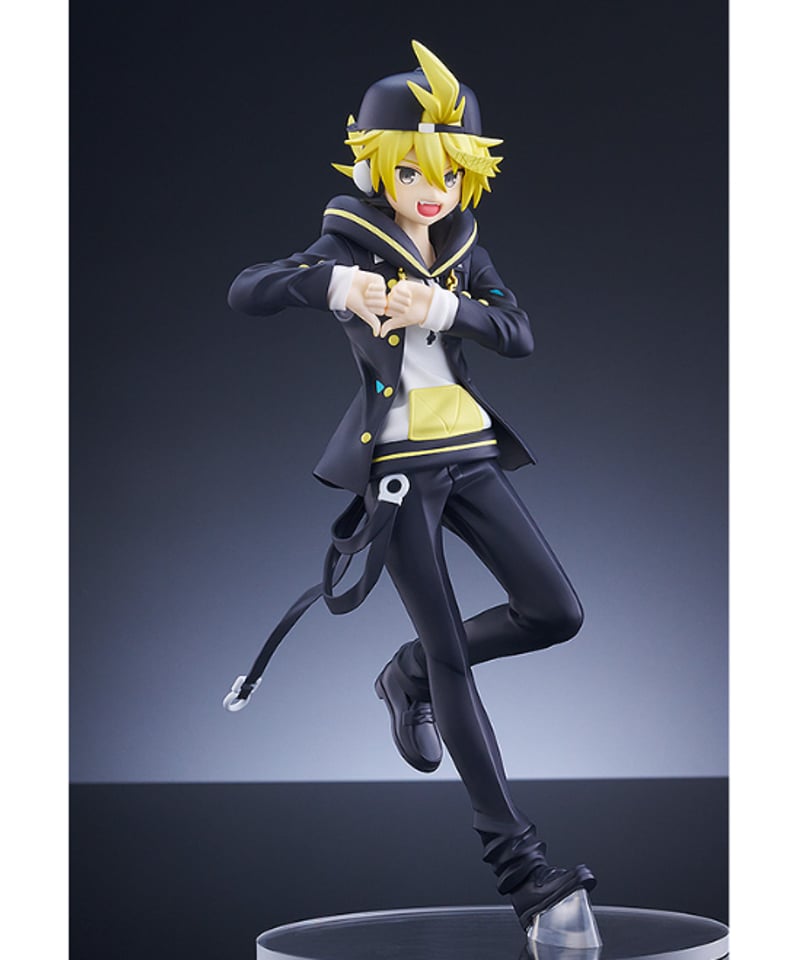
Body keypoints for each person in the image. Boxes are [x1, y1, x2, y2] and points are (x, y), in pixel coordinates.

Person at [226, 39, 596, 931]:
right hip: (395, 472)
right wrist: (333, 285)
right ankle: (528, 875)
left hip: (469, 450)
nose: (431, 190)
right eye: (411, 170)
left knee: (555, 611)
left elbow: (519, 333)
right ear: (377, 165)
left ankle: (408, 674)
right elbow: (248, 288)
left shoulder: (464, 246)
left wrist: (447, 307)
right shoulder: (349, 239)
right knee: (453, 657)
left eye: (448, 172)